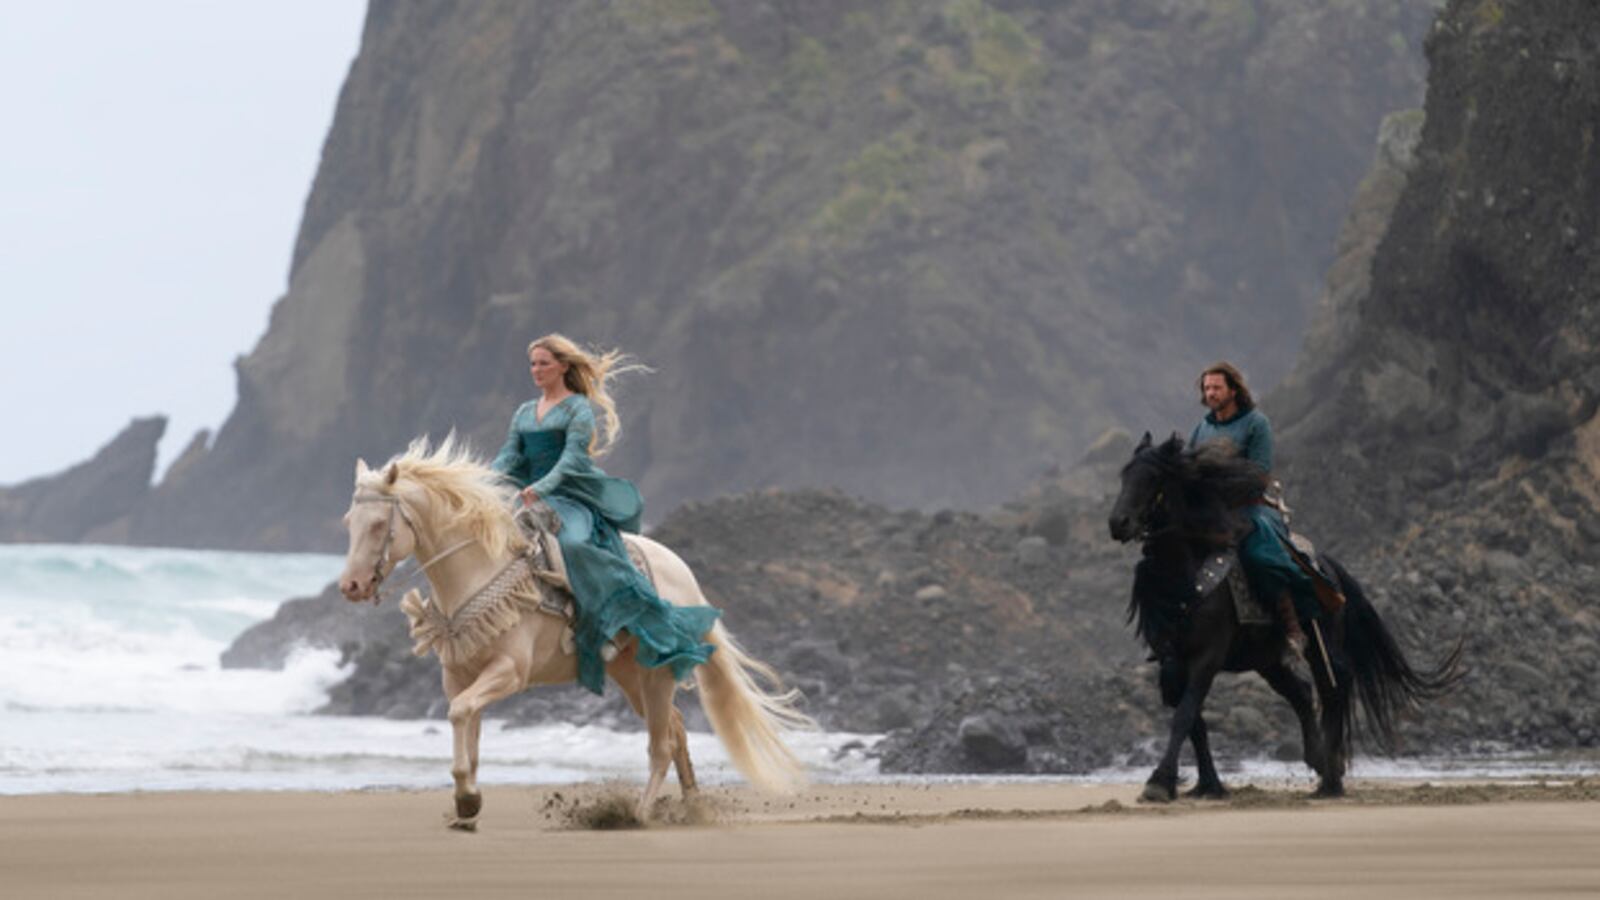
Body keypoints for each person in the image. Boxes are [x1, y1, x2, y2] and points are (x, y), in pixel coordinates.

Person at [491, 334, 719, 695]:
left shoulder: (577, 409)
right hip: (529, 499)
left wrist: (542, 488)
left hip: (572, 497)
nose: (536, 370)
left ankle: (613, 626)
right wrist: (482, 481)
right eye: (532, 364)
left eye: (544, 363)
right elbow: (509, 456)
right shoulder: (523, 412)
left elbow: (572, 461)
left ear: (563, 366)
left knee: (575, 545)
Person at [1189, 361, 1316, 664]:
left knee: (1261, 556)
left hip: (1250, 509)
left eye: (1217, 387)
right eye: (1207, 388)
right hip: (1210, 512)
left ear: (1233, 390)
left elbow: (1259, 474)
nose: (1211, 393)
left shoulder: (1256, 424)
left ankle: (1292, 630)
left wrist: (1220, 483)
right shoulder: (1202, 428)